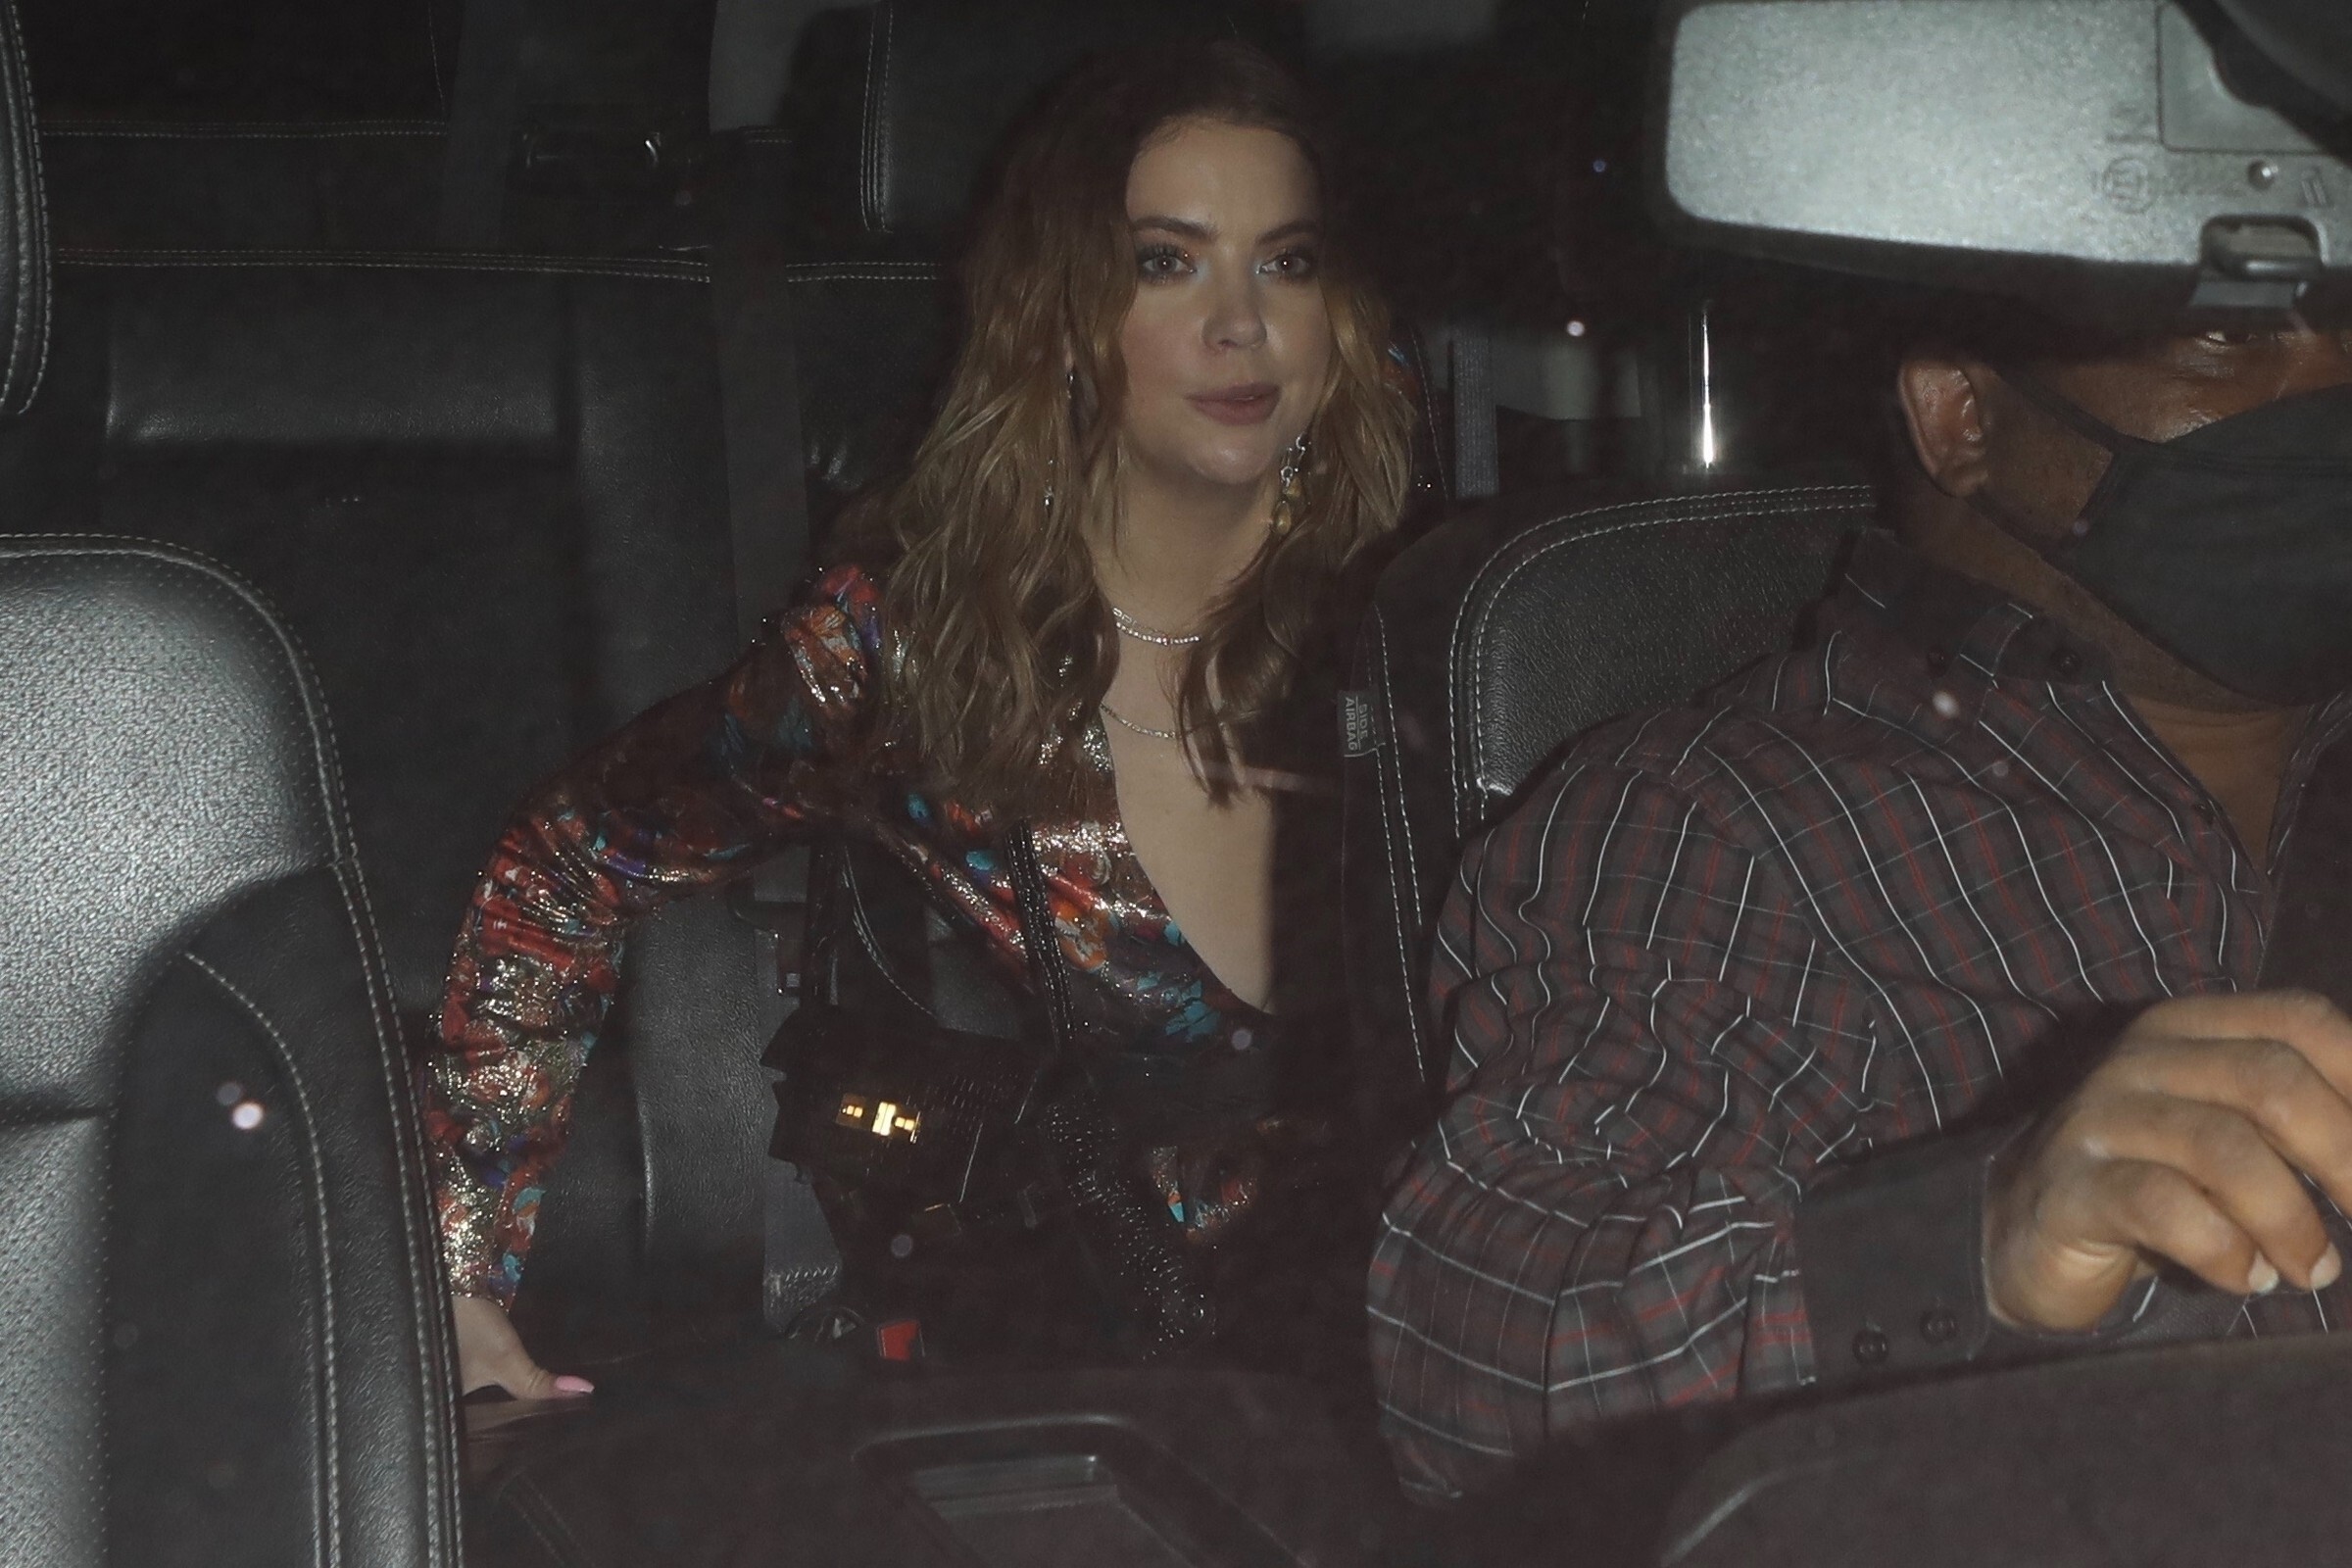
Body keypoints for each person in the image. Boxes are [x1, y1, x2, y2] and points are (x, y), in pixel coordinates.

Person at [426, 39, 1417, 1399]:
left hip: (1418, 1361)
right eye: (1166, 262)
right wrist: (460, 1269)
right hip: (1097, 1393)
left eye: (1287, 262)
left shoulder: (1428, 617)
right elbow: (564, 865)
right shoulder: (909, 650)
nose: (1241, 323)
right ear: (1061, 317)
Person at [1368, 308, 2352, 1497]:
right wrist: (1977, 1244)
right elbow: (1471, 1346)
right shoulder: (1717, 817)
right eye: (2231, 335)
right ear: (1962, 411)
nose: (2332, 385)